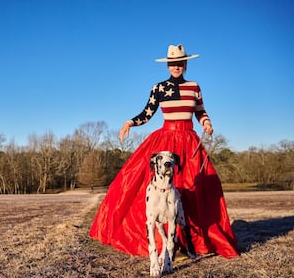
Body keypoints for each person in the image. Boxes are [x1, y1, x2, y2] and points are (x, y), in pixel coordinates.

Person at [90, 44, 239, 259]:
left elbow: (200, 111)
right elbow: (147, 113)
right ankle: (166, 242)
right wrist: (130, 122)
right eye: (172, 63)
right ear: (168, 65)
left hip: (189, 142)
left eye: (180, 63)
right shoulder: (158, 88)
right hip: (165, 141)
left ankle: (189, 241)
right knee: (149, 185)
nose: (176, 66)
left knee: (194, 187)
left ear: (185, 64)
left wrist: (206, 123)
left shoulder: (195, 87)